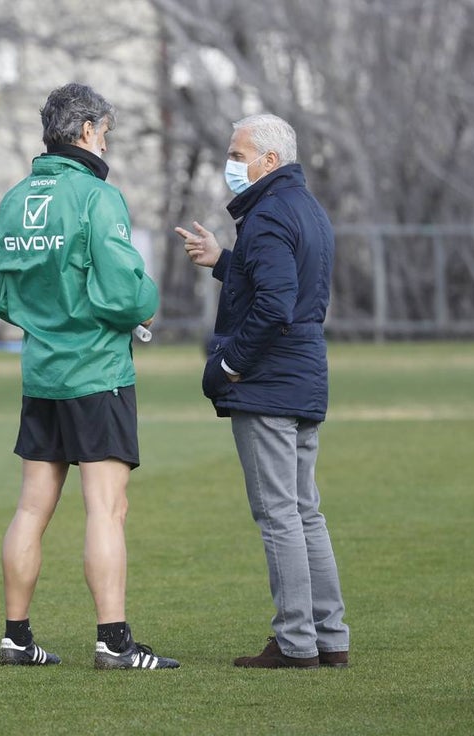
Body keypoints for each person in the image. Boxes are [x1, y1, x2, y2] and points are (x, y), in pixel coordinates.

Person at [0, 83, 179, 670]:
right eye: (107, 132)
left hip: (41, 374)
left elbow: (2, 296)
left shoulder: (15, 199)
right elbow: (125, 293)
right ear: (88, 130)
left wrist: (48, 322)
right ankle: (113, 642)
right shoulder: (98, 197)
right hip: (97, 373)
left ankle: (16, 638)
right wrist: (148, 304)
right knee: (106, 509)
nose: (107, 143)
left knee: (30, 509)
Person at [175, 113, 349, 668]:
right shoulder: (306, 207)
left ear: (269, 160)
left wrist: (228, 365)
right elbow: (282, 284)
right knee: (305, 512)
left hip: (270, 384)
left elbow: (275, 305)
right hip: (302, 377)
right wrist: (222, 262)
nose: (229, 164)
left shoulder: (269, 213)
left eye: (237, 154)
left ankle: (295, 642)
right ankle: (331, 638)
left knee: (279, 515)